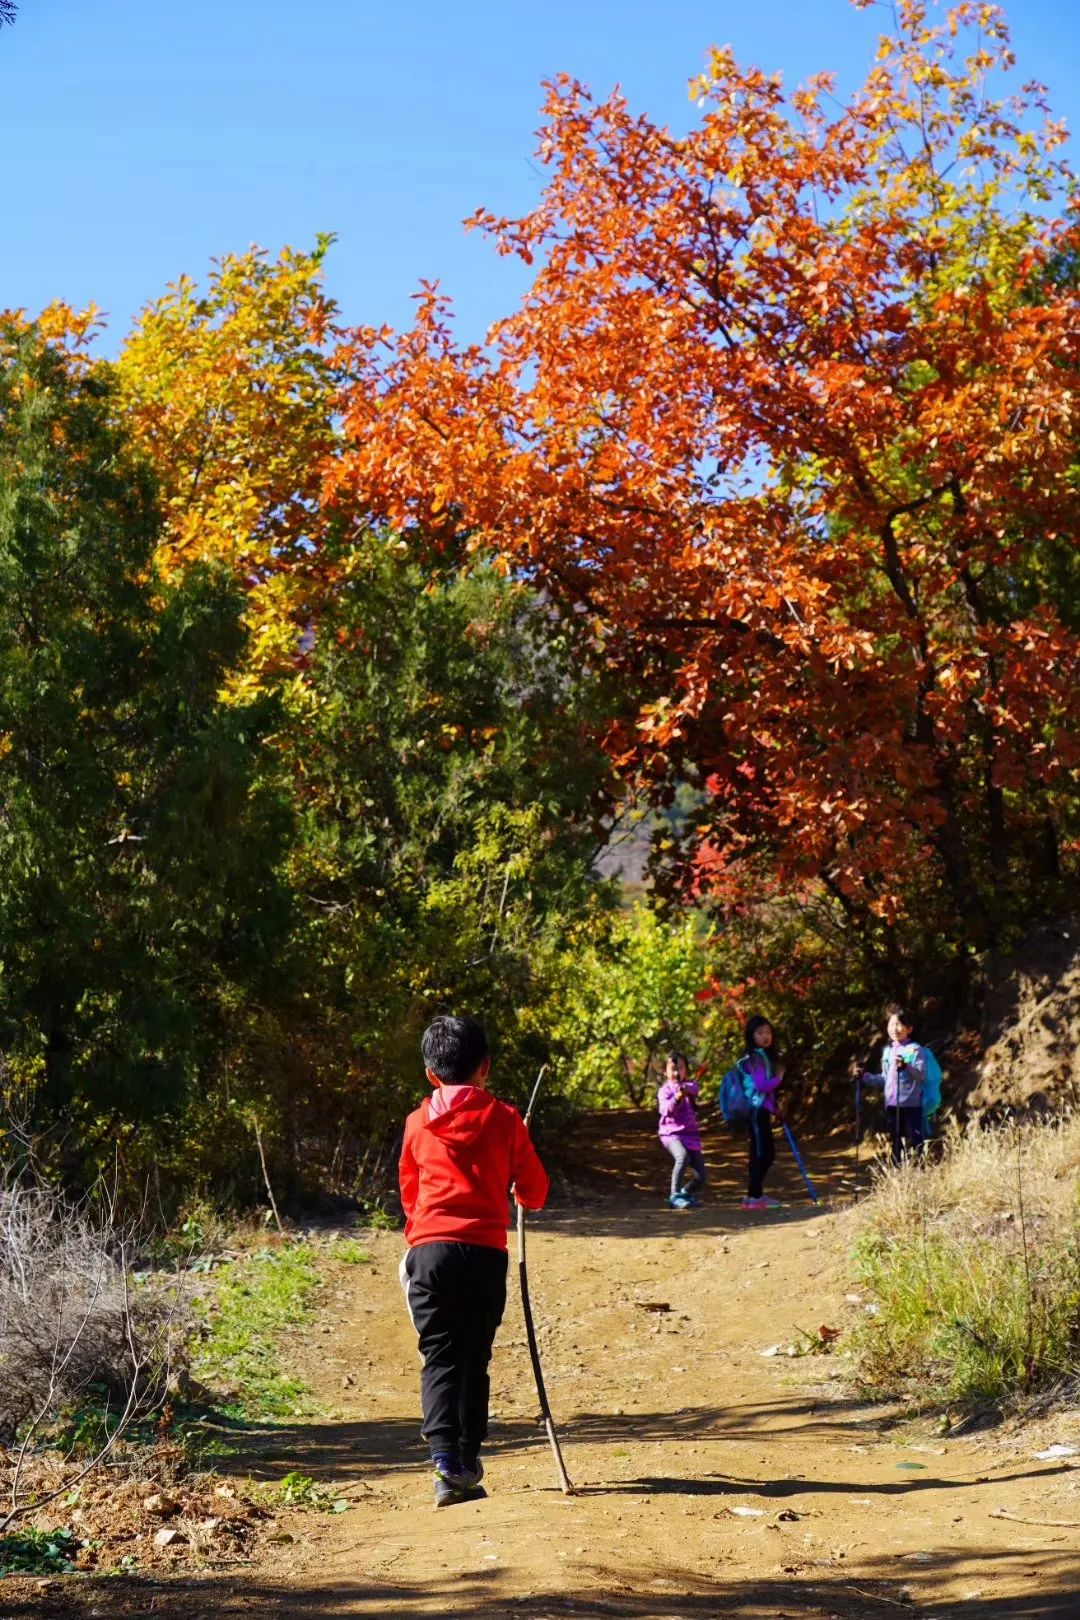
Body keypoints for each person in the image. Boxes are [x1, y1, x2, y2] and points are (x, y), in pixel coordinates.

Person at [398, 1014, 549, 1507]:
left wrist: (423, 1232)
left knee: (439, 1353)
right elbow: (536, 1192)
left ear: (430, 1074)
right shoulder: (505, 1120)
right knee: (473, 1357)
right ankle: (466, 1458)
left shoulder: (417, 1123)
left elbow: (409, 1191)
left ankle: (444, 1461)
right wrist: (516, 1166)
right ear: (485, 1067)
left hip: (430, 1253)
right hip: (485, 1254)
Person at [861, 1004, 928, 1165]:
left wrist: (906, 1066)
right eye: (891, 1024)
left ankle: (919, 1174)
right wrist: (864, 1077)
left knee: (915, 1141)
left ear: (909, 1028)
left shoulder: (915, 1049)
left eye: (899, 1024)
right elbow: (885, 1079)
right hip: (892, 1105)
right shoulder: (888, 1051)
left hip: (911, 1105)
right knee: (896, 1142)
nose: (894, 1028)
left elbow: (921, 1076)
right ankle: (899, 1176)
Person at [738, 1015, 784, 1211]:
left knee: (761, 1154)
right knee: (763, 1154)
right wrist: (779, 1078)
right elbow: (761, 1085)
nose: (765, 1036)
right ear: (751, 1035)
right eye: (760, 1033)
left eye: (768, 1032)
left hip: (761, 1110)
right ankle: (755, 1196)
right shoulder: (755, 1058)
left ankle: (753, 1195)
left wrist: (775, 1109)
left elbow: (765, 1092)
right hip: (756, 1112)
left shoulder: (763, 1056)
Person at [657, 1051, 706, 1209]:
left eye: (681, 1068)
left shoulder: (689, 1086)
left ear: (686, 1070)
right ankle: (674, 1195)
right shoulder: (664, 1091)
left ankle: (686, 1193)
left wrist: (685, 1090)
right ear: (666, 1071)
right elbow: (665, 1110)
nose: (677, 1072)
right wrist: (676, 1098)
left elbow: (694, 1088)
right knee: (682, 1157)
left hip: (690, 1135)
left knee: (701, 1176)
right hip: (671, 1134)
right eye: (673, 1068)